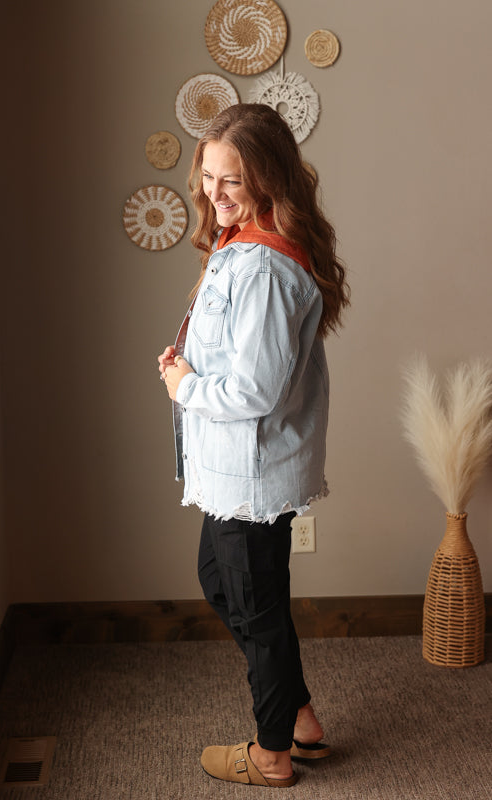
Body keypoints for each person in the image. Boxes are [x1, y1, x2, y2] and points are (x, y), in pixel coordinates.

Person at [158, 103, 349, 788]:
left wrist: (184, 387)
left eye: (231, 180)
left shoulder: (263, 267)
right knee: (225, 583)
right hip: (235, 468)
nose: (214, 193)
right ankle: (297, 715)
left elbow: (254, 391)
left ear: (267, 179)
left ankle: (272, 753)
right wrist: (188, 362)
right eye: (208, 176)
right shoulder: (246, 240)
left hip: (250, 467)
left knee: (256, 608)